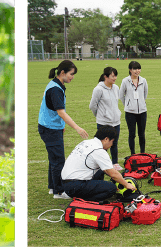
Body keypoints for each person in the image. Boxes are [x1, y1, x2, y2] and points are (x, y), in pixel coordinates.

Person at [38, 60, 88, 200]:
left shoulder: (56, 85)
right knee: (58, 160)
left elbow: (53, 110)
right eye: (71, 74)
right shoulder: (55, 89)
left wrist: (61, 125)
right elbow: (61, 112)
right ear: (62, 73)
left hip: (51, 127)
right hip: (49, 129)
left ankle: (52, 187)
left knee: (54, 159)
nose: (72, 77)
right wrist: (77, 128)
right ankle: (59, 192)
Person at [60, 126, 137, 202]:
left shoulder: (86, 142)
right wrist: (126, 184)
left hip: (66, 182)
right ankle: (83, 201)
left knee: (101, 171)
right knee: (111, 188)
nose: (111, 145)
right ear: (106, 139)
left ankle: (78, 193)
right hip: (75, 185)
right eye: (112, 141)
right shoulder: (98, 150)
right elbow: (113, 174)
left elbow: (108, 170)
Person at [89, 67, 122, 165]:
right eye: (112, 76)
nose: (115, 78)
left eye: (115, 76)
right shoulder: (98, 89)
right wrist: (100, 116)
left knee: (114, 144)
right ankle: (102, 166)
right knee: (103, 146)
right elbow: (92, 106)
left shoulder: (116, 88)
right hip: (104, 123)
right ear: (105, 77)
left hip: (116, 122)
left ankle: (115, 164)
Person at [119, 61, 149, 155]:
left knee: (142, 134)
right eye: (135, 69)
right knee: (132, 134)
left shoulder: (143, 80)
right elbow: (121, 95)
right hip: (130, 112)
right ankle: (133, 154)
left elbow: (145, 94)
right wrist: (128, 105)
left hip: (142, 111)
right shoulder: (125, 81)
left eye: (139, 69)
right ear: (130, 70)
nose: (137, 71)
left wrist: (141, 103)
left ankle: (142, 153)